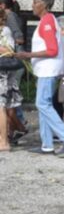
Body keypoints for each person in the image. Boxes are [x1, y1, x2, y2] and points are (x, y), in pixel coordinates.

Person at [14, 0, 64, 156]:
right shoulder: (47, 20)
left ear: (44, 5)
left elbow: (52, 50)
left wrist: (28, 55)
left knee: (43, 104)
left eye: (35, 2)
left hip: (48, 70)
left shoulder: (47, 21)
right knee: (43, 105)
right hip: (45, 70)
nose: (33, 5)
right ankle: (47, 144)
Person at [0, 0, 27, 137]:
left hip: (11, 64)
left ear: (2, 6)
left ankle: (19, 127)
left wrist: (7, 47)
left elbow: (20, 39)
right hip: (8, 64)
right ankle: (13, 131)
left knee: (9, 102)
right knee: (9, 102)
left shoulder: (9, 18)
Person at [0, 10, 22, 152]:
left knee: (1, 106)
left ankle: (4, 141)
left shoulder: (5, 30)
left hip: (3, 71)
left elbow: (9, 50)